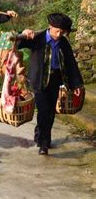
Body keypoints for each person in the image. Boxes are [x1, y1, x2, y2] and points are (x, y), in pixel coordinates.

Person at [18, 13, 84, 155]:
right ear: (50, 27)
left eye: (62, 32)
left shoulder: (63, 43)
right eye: (56, 31)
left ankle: (40, 135)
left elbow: (71, 64)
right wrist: (23, 33)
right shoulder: (37, 38)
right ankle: (44, 144)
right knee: (43, 111)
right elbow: (17, 42)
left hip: (56, 80)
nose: (59, 34)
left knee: (50, 112)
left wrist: (77, 85)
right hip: (39, 80)